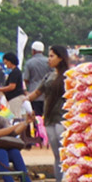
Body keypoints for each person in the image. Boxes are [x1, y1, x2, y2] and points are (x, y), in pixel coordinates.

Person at [28, 46, 70, 175]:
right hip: (50, 118)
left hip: (63, 119)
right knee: (57, 155)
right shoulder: (48, 76)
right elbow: (36, 93)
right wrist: (25, 101)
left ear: (61, 58)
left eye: (52, 56)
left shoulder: (69, 76)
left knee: (64, 154)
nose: (48, 60)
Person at [23, 41, 52, 122]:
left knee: (36, 118)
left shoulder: (29, 63)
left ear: (33, 51)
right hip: (47, 94)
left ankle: (38, 133)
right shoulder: (48, 61)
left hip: (34, 94)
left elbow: (26, 79)